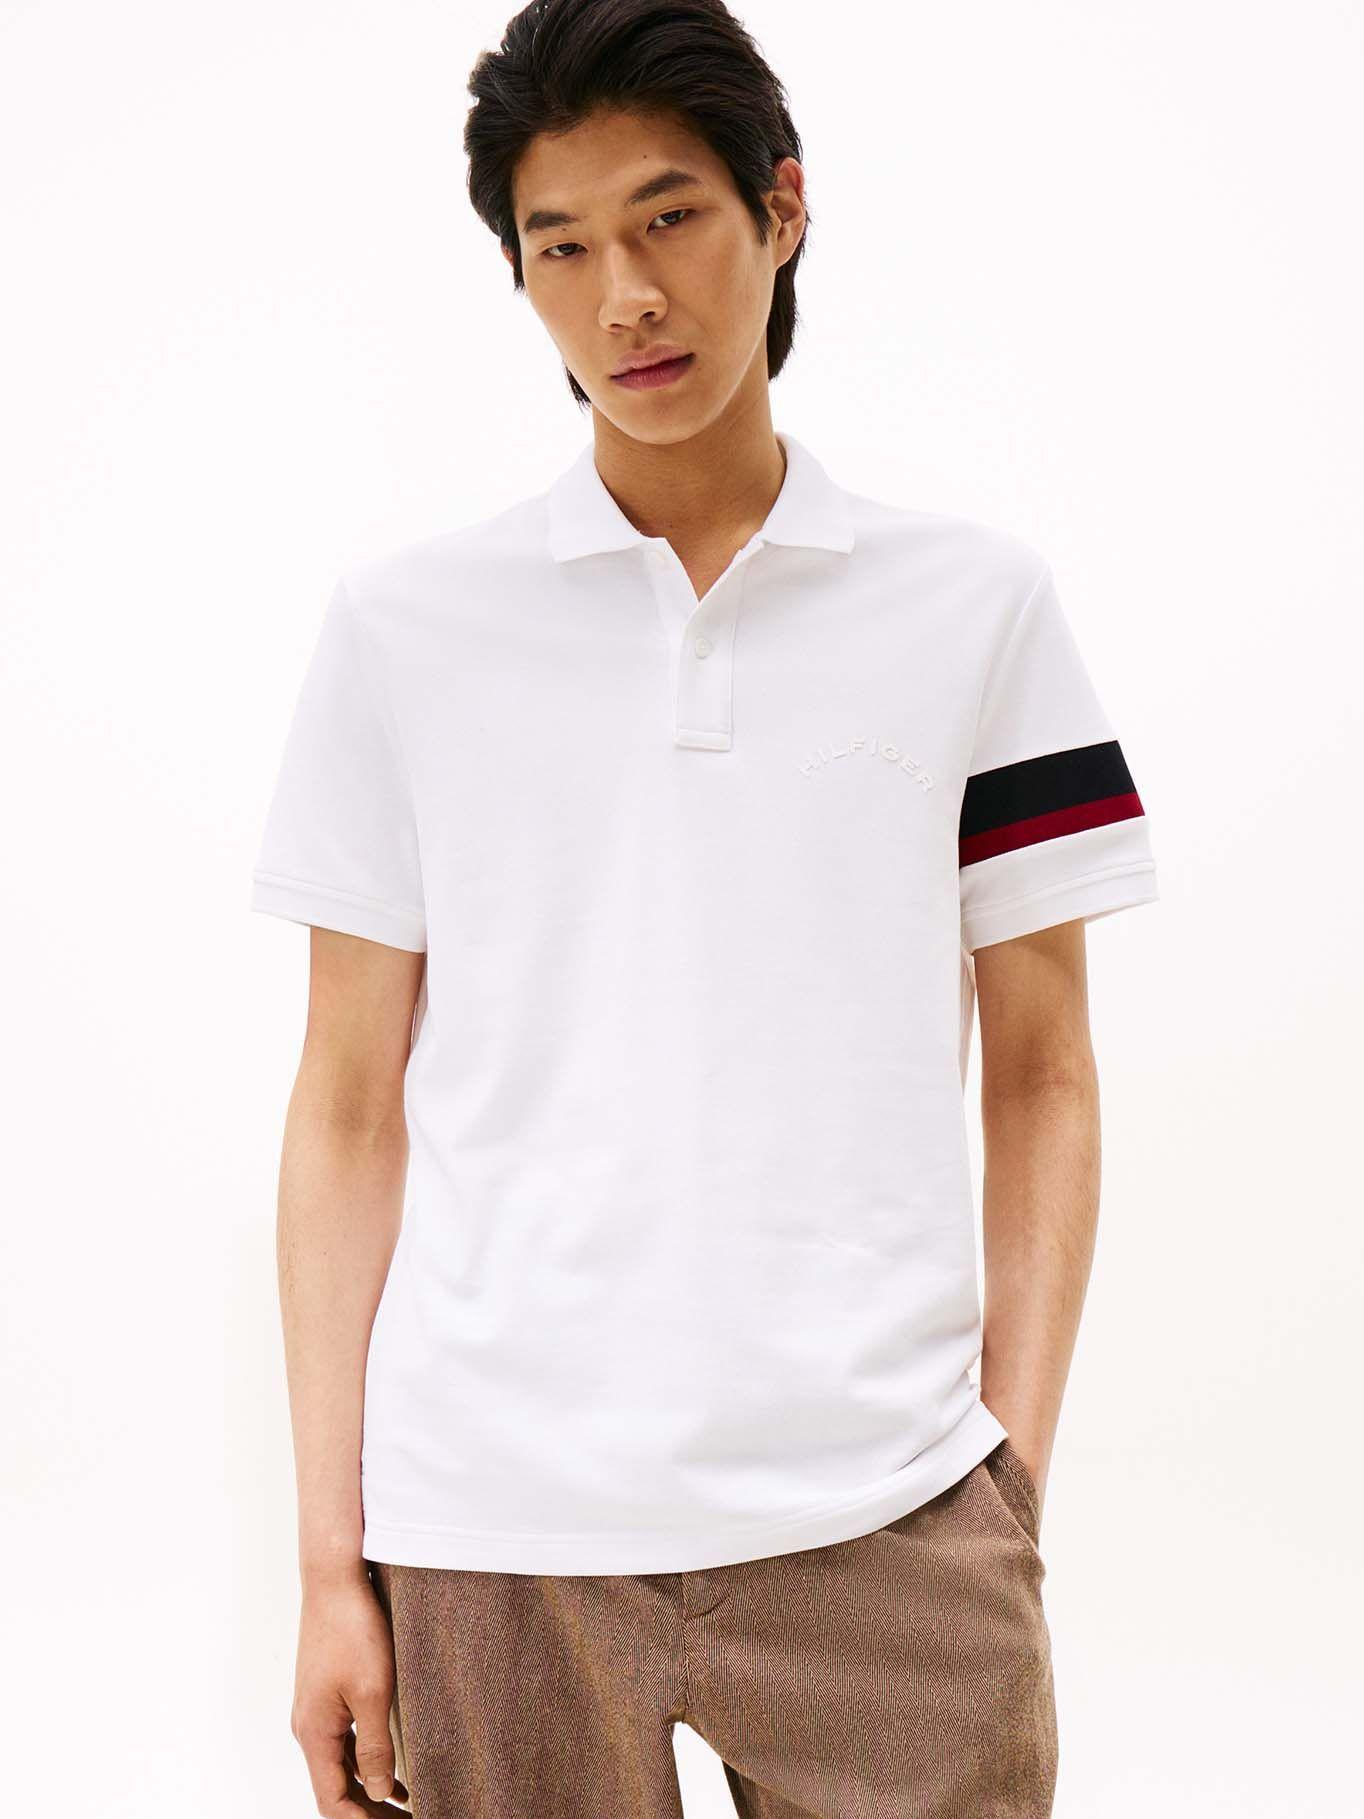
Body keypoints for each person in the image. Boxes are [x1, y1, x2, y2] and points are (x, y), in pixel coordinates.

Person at [250, 1, 1160, 1812]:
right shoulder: (405, 633)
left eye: (669, 218)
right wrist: (330, 1570)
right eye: (562, 248)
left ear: (782, 208)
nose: (627, 299)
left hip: (890, 1518)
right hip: (495, 1534)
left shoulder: (976, 609)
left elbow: (1044, 1067)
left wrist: (1010, 1480)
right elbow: (346, 1106)